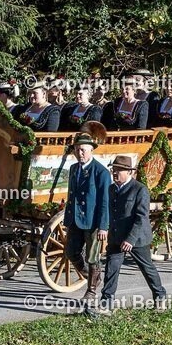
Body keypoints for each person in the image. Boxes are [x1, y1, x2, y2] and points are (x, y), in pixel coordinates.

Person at [91, 155, 167, 317]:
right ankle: (106, 303)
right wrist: (104, 228)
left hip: (137, 239)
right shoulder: (112, 189)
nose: (115, 173)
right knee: (111, 268)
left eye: (119, 170)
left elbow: (141, 218)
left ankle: (160, 295)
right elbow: (107, 212)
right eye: (114, 170)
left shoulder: (140, 189)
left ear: (130, 173)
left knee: (147, 268)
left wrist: (130, 240)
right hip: (117, 237)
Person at [63, 131, 110, 306]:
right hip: (75, 219)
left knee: (92, 257)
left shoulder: (101, 172)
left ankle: (91, 291)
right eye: (76, 150)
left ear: (91, 150)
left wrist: (103, 226)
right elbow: (71, 196)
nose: (79, 153)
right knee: (71, 252)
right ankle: (93, 277)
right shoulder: (74, 169)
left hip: (93, 221)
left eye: (83, 150)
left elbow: (104, 202)